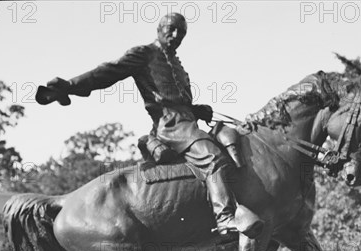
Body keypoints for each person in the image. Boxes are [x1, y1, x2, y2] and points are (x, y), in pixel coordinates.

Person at [36, 13, 263, 238]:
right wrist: (70, 86)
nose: (176, 35)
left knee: (233, 145)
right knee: (212, 156)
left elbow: (177, 100)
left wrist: (197, 110)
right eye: (171, 29)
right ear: (159, 28)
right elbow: (107, 72)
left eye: (181, 33)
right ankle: (224, 218)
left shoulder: (175, 63)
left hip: (187, 123)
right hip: (172, 127)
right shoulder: (144, 54)